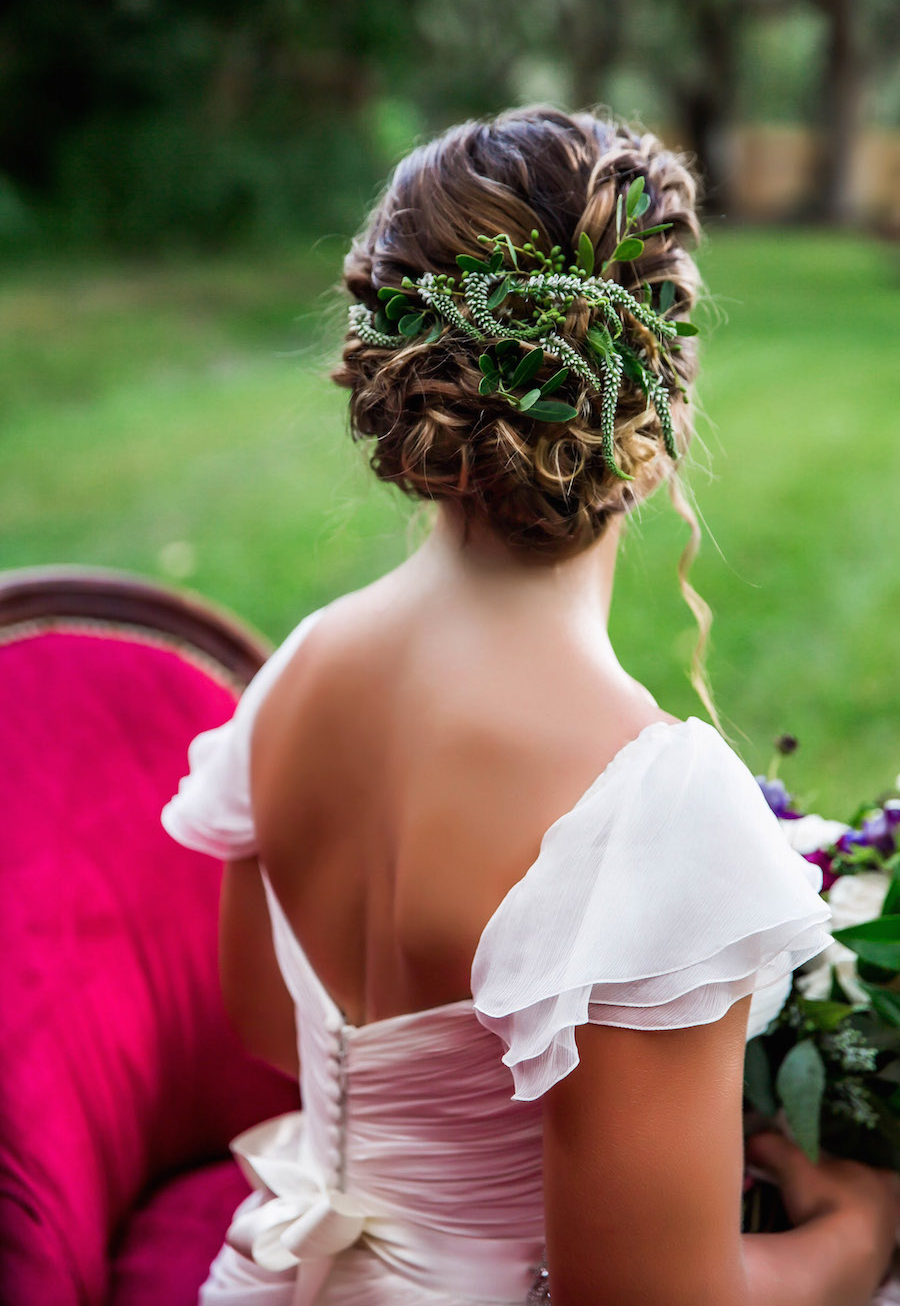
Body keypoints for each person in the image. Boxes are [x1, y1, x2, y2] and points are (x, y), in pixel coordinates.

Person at [160, 105, 900, 1306]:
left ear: (393, 380)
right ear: (655, 419)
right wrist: (858, 1237)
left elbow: (259, 1015)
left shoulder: (299, 670)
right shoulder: (646, 802)